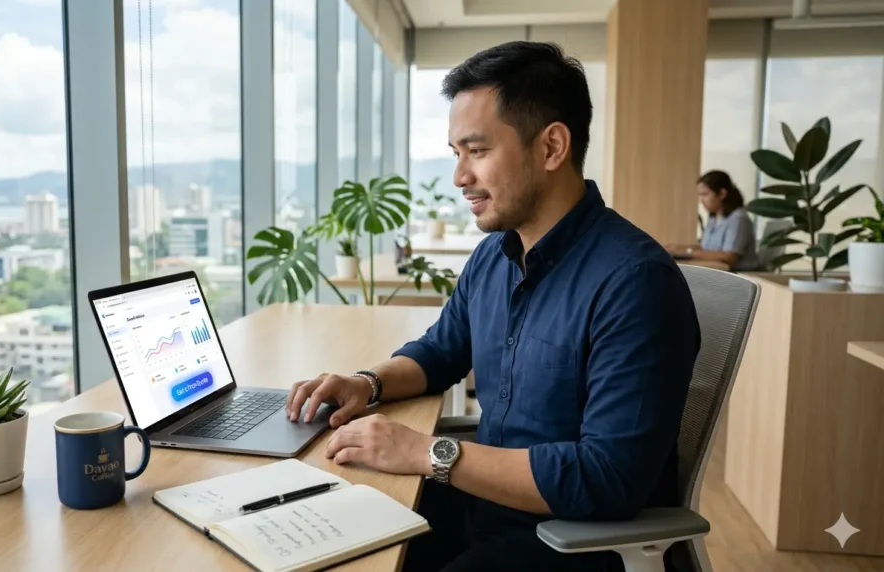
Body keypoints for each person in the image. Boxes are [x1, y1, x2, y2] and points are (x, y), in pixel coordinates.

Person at [286, 41, 701, 572]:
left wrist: (424, 452)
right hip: (482, 504)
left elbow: (606, 477)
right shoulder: (494, 257)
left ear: (551, 147)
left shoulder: (635, 283)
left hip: (573, 542)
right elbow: (441, 352)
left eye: (477, 151)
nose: (460, 177)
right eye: (455, 153)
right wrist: (367, 384)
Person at [666, 170, 759, 271]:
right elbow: (706, 249)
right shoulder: (713, 217)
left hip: (738, 274)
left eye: (705, 194)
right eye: (700, 195)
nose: (701, 201)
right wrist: (678, 249)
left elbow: (730, 256)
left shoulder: (738, 218)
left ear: (722, 194)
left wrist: (688, 252)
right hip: (717, 270)